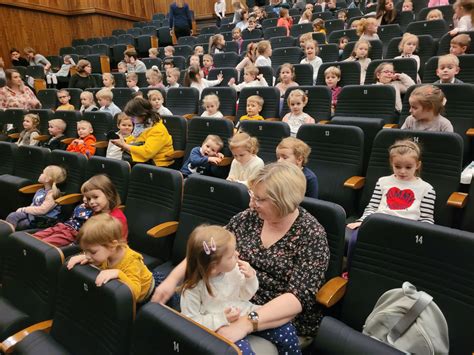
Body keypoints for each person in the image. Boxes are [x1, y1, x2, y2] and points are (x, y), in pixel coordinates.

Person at [152, 162, 330, 342]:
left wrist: (247, 323)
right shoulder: (249, 218)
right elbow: (210, 247)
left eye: (259, 199)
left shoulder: (311, 235)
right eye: (252, 195)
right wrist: (173, 279)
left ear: (284, 202)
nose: (251, 204)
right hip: (228, 298)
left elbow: (296, 299)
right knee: (156, 284)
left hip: (272, 314)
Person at [180, 225, 302, 355]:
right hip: (220, 328)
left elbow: (245, 296)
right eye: (231, 255)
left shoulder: (232, 270)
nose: (237, 255)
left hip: (246, 313)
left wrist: (250, 278)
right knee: (240, 352)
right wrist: (222, 318)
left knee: (286, 329)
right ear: (214, 266)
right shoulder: (192, 290)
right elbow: (191, 323)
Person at [346, 139, 436, 266]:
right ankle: (351, 271)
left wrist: (421, 237)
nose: (402, 171)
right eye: (397, 166)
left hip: (407, 229)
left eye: (408, 167)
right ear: (391, 163)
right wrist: (362, 221)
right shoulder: (383, 181)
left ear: (418, 165)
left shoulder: (427, 189)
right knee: (355, 240)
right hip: (380, 223)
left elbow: (427, 219)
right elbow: (372, 206)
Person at [67, 214, 153, 302]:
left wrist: (118, 274)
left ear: (112, 245)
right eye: (85, 251)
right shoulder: (107, 252)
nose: (88, 256)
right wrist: (84, 257)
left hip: (146, 295)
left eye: (92, 252)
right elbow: (97, 258)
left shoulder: (131, 261)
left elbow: (135, 293)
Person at [34, 174, 127, 246]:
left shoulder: (116, 219)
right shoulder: (95, 211)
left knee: (42, 245)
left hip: (100, 250)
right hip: (73, 233)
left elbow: (119, 244)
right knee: (33, 239)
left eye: (95, 197)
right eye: (89, 199)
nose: (91, 202)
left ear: (109, 194)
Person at [111, 97, 175, 167]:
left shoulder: (158, 130)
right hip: (144, 162)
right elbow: (134, 139)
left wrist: (125, 145)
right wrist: (123, 141)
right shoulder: (141, 125)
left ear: (143, 115)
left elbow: (147, 152)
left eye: (133, 116)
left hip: (158, 165)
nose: (131, 120)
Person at [5, 165, 66, 230]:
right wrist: (24, 211)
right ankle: (5, 233)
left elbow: (43, 210)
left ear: (47, 179)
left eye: (43, 173)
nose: (40, 174)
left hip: (43, 220)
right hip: (33, 215)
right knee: (12, 216)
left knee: (21, 224)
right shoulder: (41, 190)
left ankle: (8, 236)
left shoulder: (52, 194)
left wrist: (24, 209)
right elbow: (33, 204)